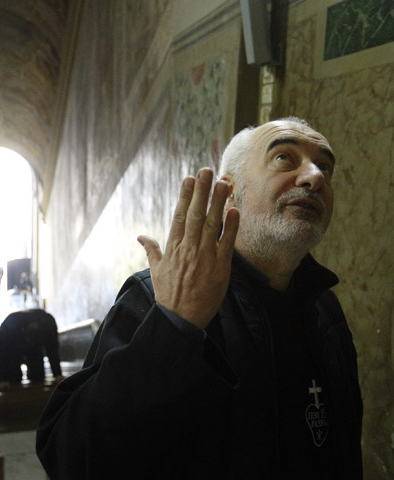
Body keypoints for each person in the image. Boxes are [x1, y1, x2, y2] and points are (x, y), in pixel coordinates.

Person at [36, 118, 363, 479]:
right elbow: (70, 458)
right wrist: (174, 326)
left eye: (325, 166)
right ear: (229, 193)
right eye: (285, 158)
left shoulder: (325, 307)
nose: (314, 176)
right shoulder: (158, 296)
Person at [0, 309, 62, 385]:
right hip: (14, 347)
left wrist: (58, 374)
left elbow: (52, 349)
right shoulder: (9, 325)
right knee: (14, 377)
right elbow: (3, 353)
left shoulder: (48, 324)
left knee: (38, 376)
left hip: (35, 348)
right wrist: (2, 378)